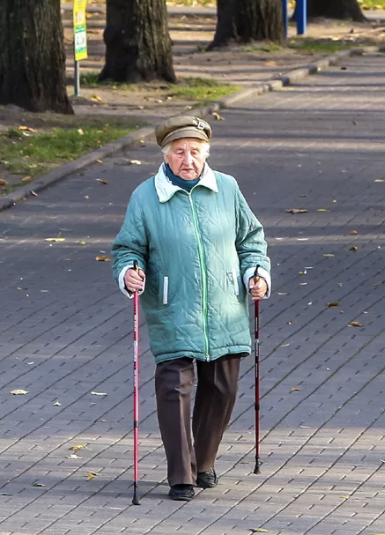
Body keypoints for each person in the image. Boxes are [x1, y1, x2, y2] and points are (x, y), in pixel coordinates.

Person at [111, 115, 271, 502]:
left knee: (222, 387)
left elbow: (251, 238)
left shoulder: (227, 189)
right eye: (180, 152)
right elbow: (128, 248)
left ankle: (203, 461)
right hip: (172, 307)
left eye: (195, 152)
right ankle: (180, 475)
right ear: (166, 156)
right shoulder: (146, 196)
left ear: (206, 154)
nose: (189, 159)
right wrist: (130, 271)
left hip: (224, 309)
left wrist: (257, 272)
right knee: (174, 389)